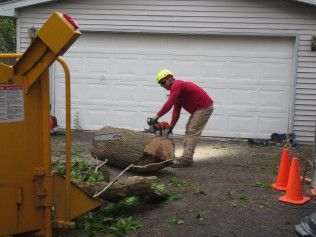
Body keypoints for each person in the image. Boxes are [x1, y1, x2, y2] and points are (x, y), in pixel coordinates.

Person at [149, 69, 214, 167]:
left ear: (169, 78)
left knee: (193, 131)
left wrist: (157, 116)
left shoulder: (177, 84)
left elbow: (169, 104)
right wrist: (171, 127)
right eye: (161, 85)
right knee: (188, 130)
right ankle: (186, 157)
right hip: (198, 109)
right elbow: (176, 111)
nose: (163, 86)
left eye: (163, 82)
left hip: (204, 107)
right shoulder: (176, 91)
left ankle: (186, 159)